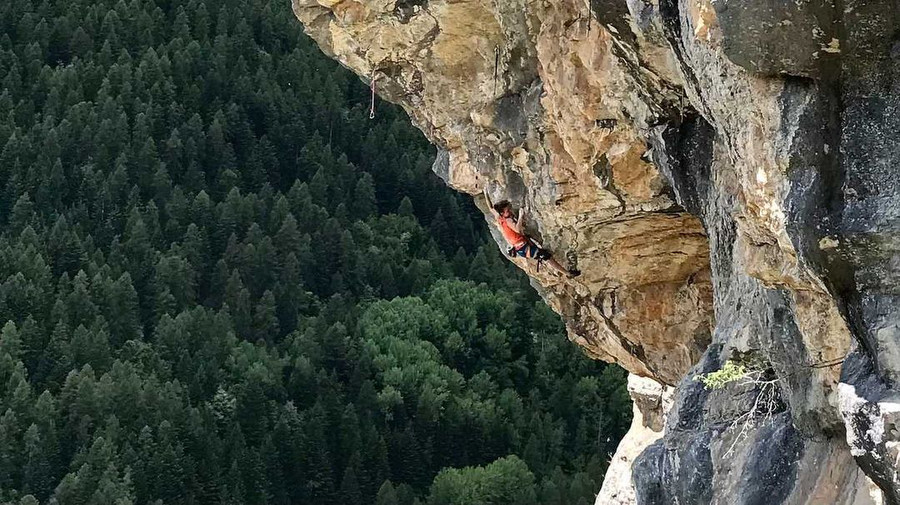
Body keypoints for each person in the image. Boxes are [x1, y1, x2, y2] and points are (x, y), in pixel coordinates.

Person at [484, 190, 580, 278]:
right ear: (502, 213)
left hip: (521, 248)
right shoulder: (508, 220)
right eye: (507, 210)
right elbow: (517, 229)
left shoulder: (499, 218)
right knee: (546, 256)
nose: (510, 211)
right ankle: (567, 273)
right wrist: (521, 216)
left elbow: (491, 207)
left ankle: (567, 273)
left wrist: (486, 193)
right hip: (523, 247)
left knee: (545, 255)